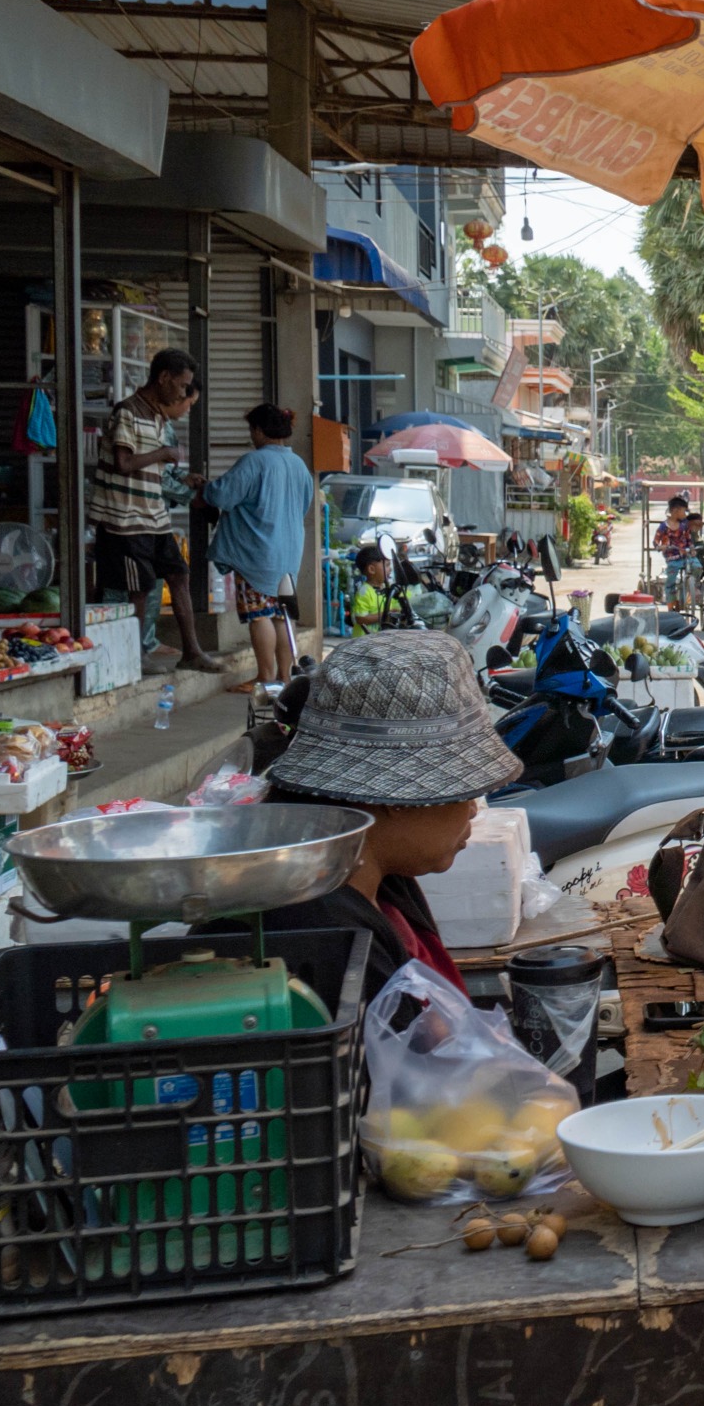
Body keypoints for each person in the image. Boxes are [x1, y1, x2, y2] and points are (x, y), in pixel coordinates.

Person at [259, 630, 525, 1002]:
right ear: (397, 799)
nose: (472, 810)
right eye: (461, 793)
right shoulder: (327, 940)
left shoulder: (379, 878)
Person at [93, 347, 222, 673]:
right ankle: (136, 656)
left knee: (179, 575)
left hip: (153, 516)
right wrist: (162, 453)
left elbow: (154, 470)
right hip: (126, 518)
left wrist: (170, 467)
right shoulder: (127, 412)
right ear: (163, 378)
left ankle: (191, 651)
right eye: (182, 386)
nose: (184, 392)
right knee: (139, 588)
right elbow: (123, 463)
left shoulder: (157, 417)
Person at [200, 404, 312, 693]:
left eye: (252, 429)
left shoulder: (255, 461)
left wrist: (204, 487)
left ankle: (264, 677)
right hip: (288, 553)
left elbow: (222, 495)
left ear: (260, 431)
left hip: (258, 554)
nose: (251, 436)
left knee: (259, 614)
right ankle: (285, 679)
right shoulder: (299, 465)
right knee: (281, 614)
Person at [347, 545, 394, 635]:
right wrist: (386, 615)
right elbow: (360, 619)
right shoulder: (364, 592)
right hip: (364, 642)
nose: (390, 569)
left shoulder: (386, 589)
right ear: (371, 569)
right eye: (387, 565)